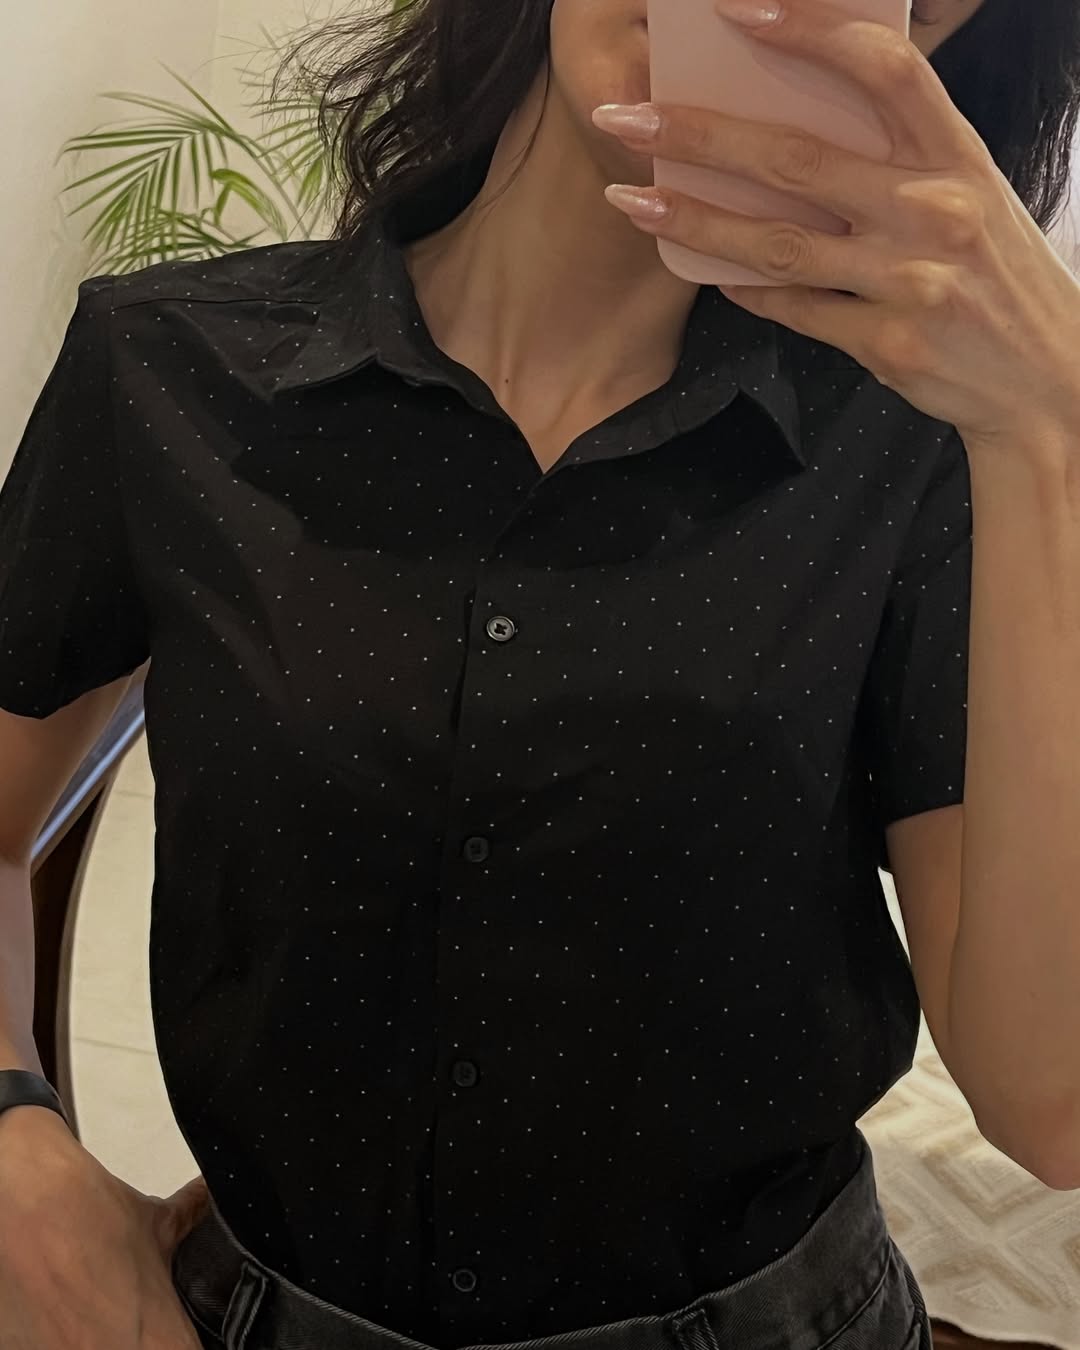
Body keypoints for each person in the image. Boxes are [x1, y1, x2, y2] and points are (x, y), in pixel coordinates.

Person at [1, 1, 1079, 1347]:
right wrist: (13, 1157)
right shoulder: (169, 365)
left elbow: (1051, 1102)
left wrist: (1052, 430)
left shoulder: (925, 455)